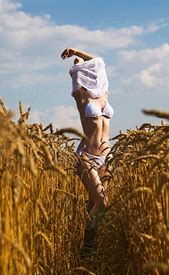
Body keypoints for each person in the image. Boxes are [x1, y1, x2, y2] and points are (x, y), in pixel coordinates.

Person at [60, 47, 114, 254]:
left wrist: (77, 51)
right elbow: (83, 69)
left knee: (94, 205)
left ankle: (92, 251)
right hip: (88, 158)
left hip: (106, 158)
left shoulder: (105, 94)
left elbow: (99, 61)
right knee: (103, 203)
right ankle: (86, 250)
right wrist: (76, 60)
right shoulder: (81, 96)